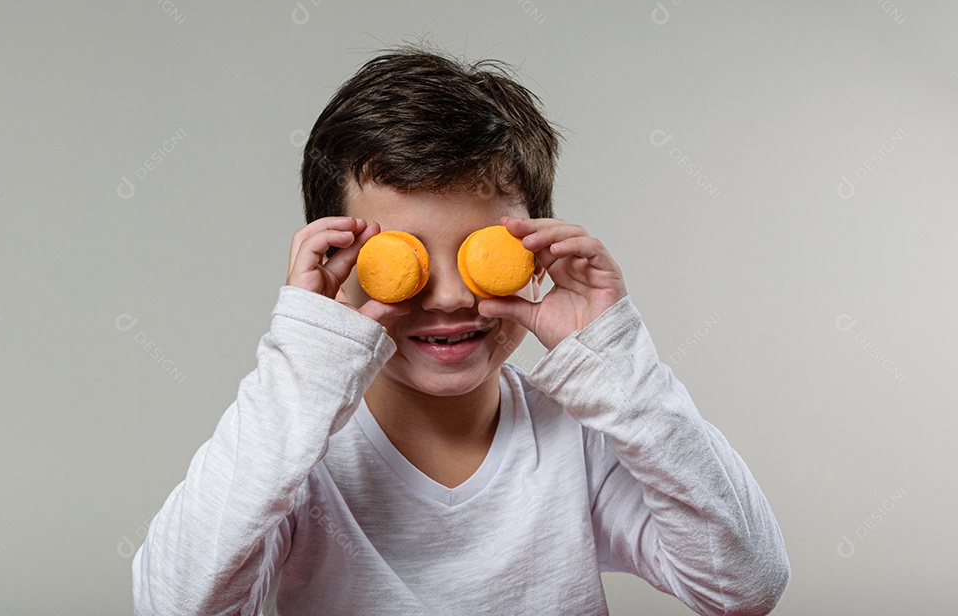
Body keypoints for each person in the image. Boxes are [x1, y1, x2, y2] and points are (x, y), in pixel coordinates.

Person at [132, 45, 790, 615]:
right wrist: (305, 362)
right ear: (336, 265)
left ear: (537, 253)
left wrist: (616, 363)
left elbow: (744, 585)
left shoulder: (577, 438)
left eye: (482, 255)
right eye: (402, 259)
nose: (448, 297)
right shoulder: (294, 451)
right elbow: (175, 603)